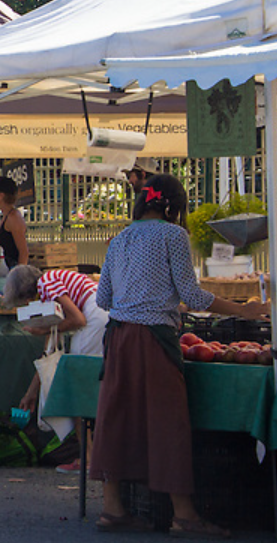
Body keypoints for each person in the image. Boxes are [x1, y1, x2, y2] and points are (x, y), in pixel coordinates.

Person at [89, 173, 268, 537]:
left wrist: (138, 297)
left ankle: (112, 509)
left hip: (118, 338)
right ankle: (184, 515)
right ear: (174, 205)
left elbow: (103, 299)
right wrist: (244, 310)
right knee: (167, 422)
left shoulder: (120, 239)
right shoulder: (173, 235)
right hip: (154, 339)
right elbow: (193, 294)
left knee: (116, 420)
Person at [4, 264, 108, 472]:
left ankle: (87, 458)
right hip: (103, 318)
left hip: (94, 321)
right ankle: (95, 455)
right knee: (91, 387)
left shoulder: (46, 283)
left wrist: (42, 330)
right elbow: (49, 351)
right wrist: (31, 392)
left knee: (77, 388)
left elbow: (77, 320)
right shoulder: (53, 284)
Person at [0, 175, 28, 268]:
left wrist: (18, 274)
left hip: (13, 269)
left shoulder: (13, 218)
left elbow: (23, 252)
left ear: (2, 195)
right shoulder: (7, 216)